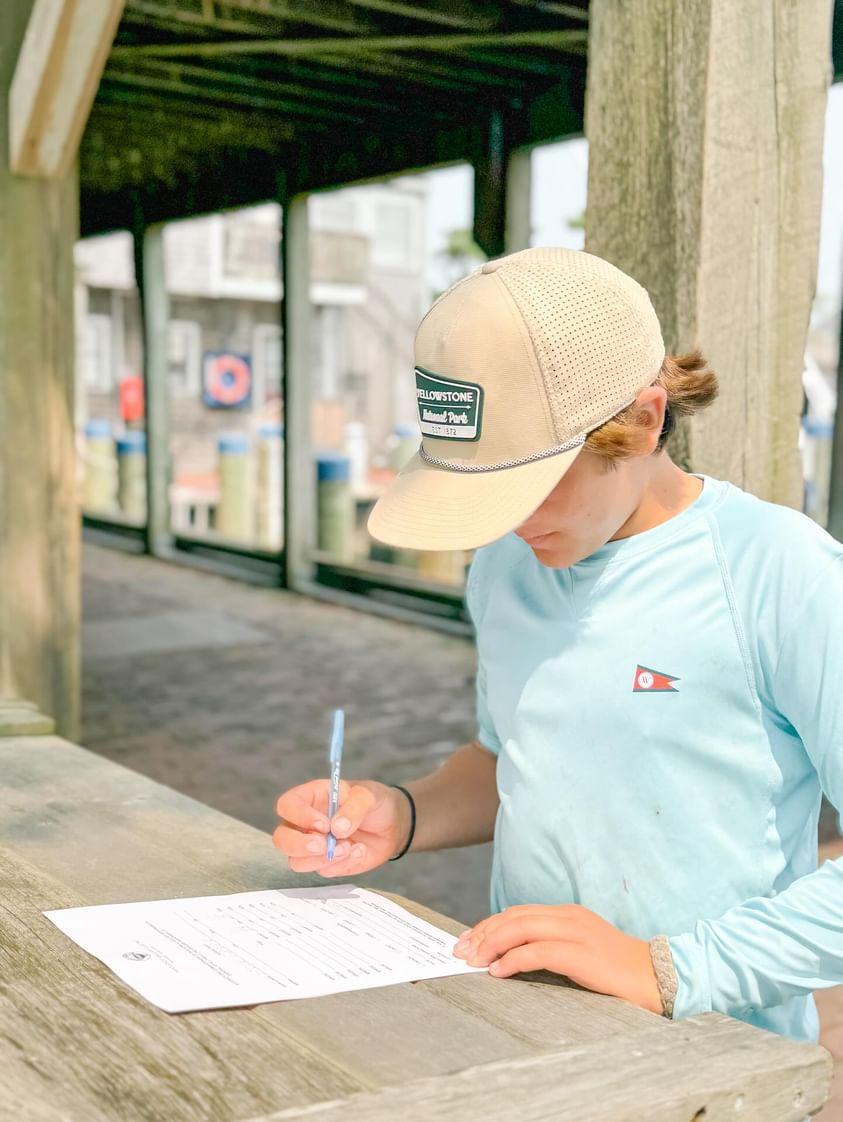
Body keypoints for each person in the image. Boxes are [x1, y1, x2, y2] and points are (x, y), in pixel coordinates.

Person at [273, 247, 843, 1042]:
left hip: (719, 1057)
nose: (508, 522)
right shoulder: (507, 566)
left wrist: (670, 968)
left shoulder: (779, 572)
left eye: (528, 484)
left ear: (644, 420)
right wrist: (401, 814)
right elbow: (513, 756)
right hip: (522, 1031)